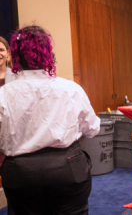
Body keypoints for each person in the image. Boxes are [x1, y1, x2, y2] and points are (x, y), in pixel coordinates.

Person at [0, 26, 100, 214]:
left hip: (20, 173)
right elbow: (93, 128)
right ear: (48, 54)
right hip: (68, 168)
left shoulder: (3, 94)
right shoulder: (71, 89)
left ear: (15, 56)